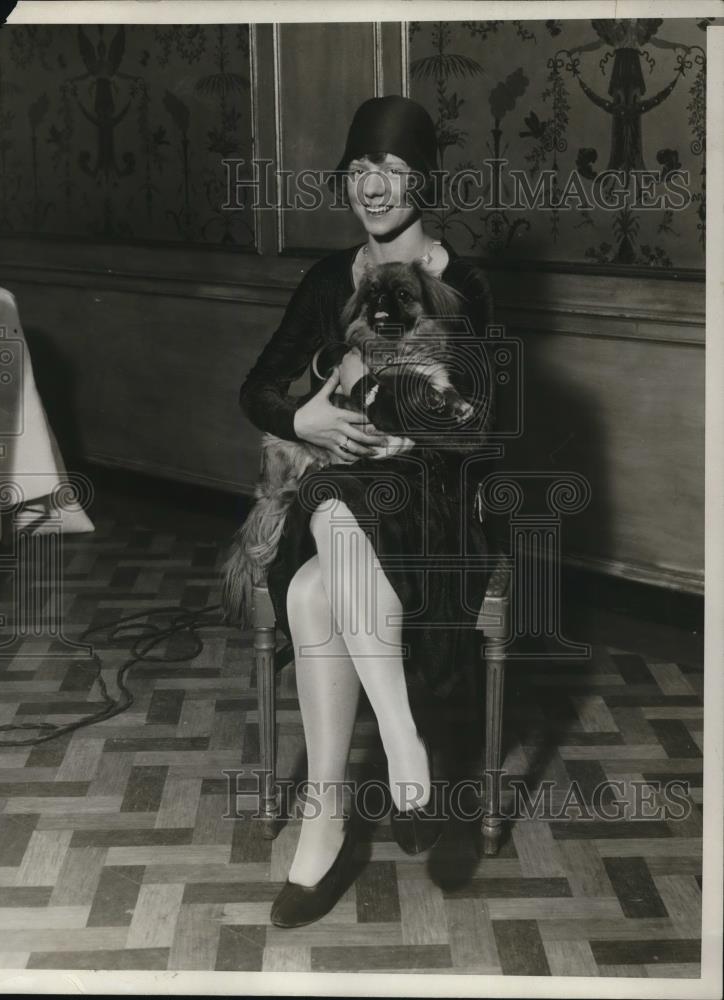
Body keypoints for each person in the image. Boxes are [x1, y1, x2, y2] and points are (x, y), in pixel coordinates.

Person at [238, 95, 495, 928]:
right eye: (359, 172)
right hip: (337, 497)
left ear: (422, 180)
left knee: (315, 593)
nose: (373, 188)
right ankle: (402, 753)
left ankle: (328, 818)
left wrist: (405, 434)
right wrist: (304, 415)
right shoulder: (326, 280)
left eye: (390, 171)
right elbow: (256, 390)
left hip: (434, 505)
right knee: (332, 498)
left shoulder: (467, 285)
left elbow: (485, 422)